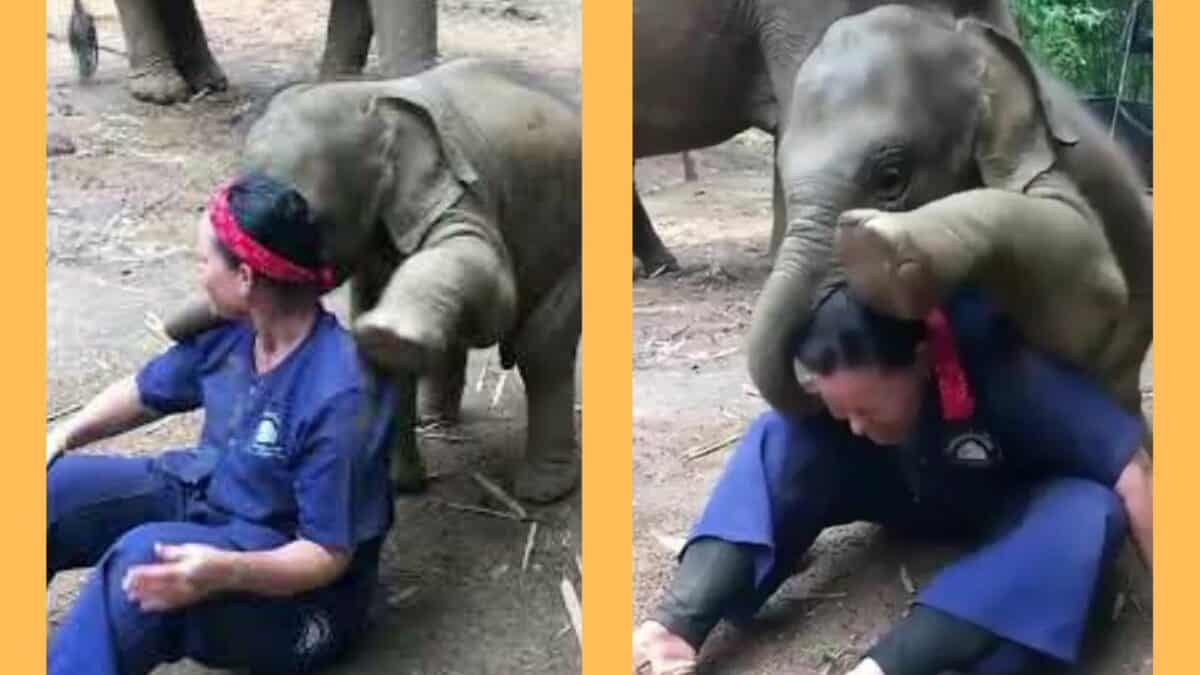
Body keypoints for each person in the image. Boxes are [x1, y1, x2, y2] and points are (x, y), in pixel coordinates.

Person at [634, 284, 1152, 675]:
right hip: (904, 487)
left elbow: (1133, 473)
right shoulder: (853, 412)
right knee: (782, 431)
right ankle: (678, 626)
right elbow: (800, 447)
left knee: (1089, 510)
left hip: (1014, 502)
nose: (855, 425)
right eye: (843, 412)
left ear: (921, 359)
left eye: (866, 407)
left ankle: (890, 667)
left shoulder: (1008, 359)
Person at [46, 172, 397, 675]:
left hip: (299, 593)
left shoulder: (342, 395)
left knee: (141, 563)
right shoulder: (234, 329)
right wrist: (61, 435)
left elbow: (326, 554)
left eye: (202, 261)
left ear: (247, 278)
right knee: (46, 489)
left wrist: (223, 573)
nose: (198, 274)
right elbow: (146, 392)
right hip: (209, 493)